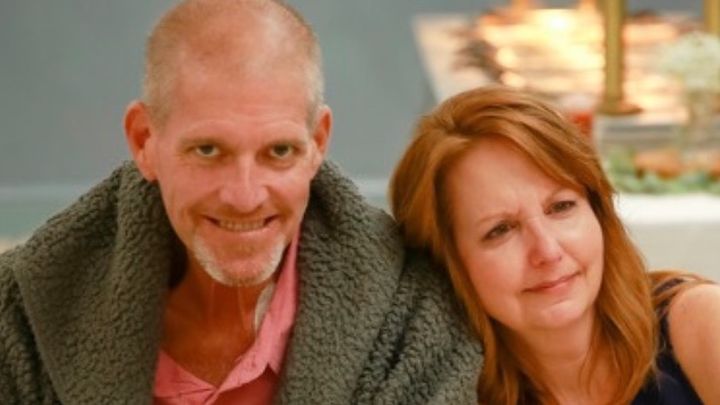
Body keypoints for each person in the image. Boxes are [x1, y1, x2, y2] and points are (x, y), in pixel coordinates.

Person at [0, 1, 483, 403]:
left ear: (318, 143)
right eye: (208, 151)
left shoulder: (415, 320)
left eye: (279, 151)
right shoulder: (21, 319)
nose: (245, 196)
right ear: (144, 140)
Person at [389, 85, 720, 404]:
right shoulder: (441, 392)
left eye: (561, 207)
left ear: (598, 211)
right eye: (500, 230)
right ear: (445, 261)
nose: (547, 251)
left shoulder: (700, 323)